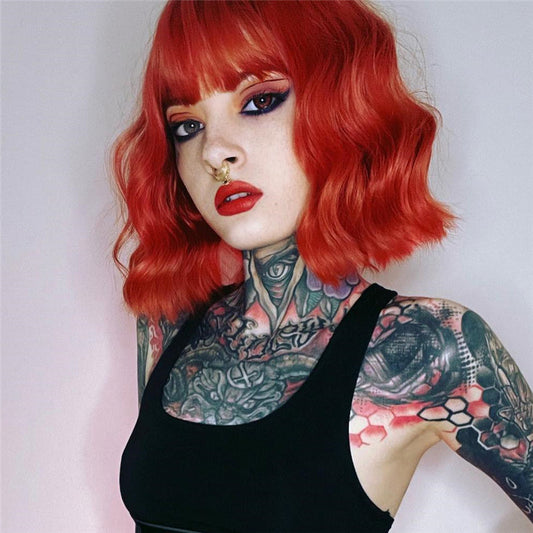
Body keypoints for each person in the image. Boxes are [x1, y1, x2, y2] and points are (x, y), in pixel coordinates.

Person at [115, 1, 533, 531]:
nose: (215, 152)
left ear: (341, 106)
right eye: (187, 125)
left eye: (259, 101)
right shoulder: (169, 323)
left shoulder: (430, 345)